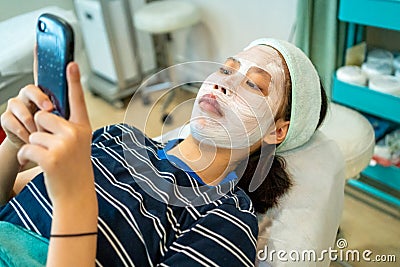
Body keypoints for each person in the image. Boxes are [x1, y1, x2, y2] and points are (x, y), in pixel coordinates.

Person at [0, 38, 327, 266]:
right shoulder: (118, 138)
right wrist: (14, 144)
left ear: (276, 130)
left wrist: (74, 201)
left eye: (254, 85)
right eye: (226, 70)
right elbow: (9, 197)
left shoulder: (225, 222)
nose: (221, 84)